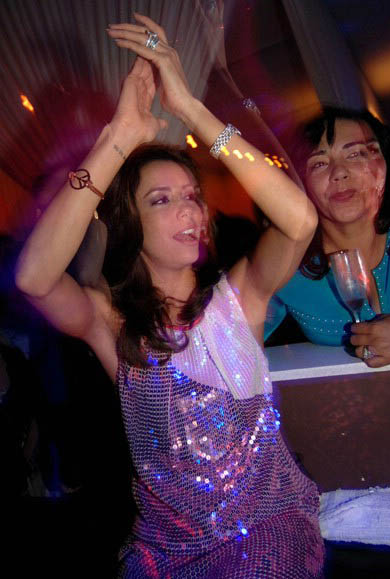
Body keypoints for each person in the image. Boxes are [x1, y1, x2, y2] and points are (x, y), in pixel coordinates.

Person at [16, 13, 324, 578]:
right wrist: (118, 138)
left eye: (191, 196)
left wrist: (190, 108)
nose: (189, 209)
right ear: (129, 225)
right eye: (161, 200)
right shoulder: (110, 322)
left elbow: (300, 220)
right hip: (165, 549)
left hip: (268, 526)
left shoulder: (240, 298)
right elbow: (34, 278)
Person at [264, 107, 390, 368]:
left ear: (384, 163)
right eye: (319, 163)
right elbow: (227, 348)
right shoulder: (288, 267)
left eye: (355, 154)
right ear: (301, 182)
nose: (339, 172)